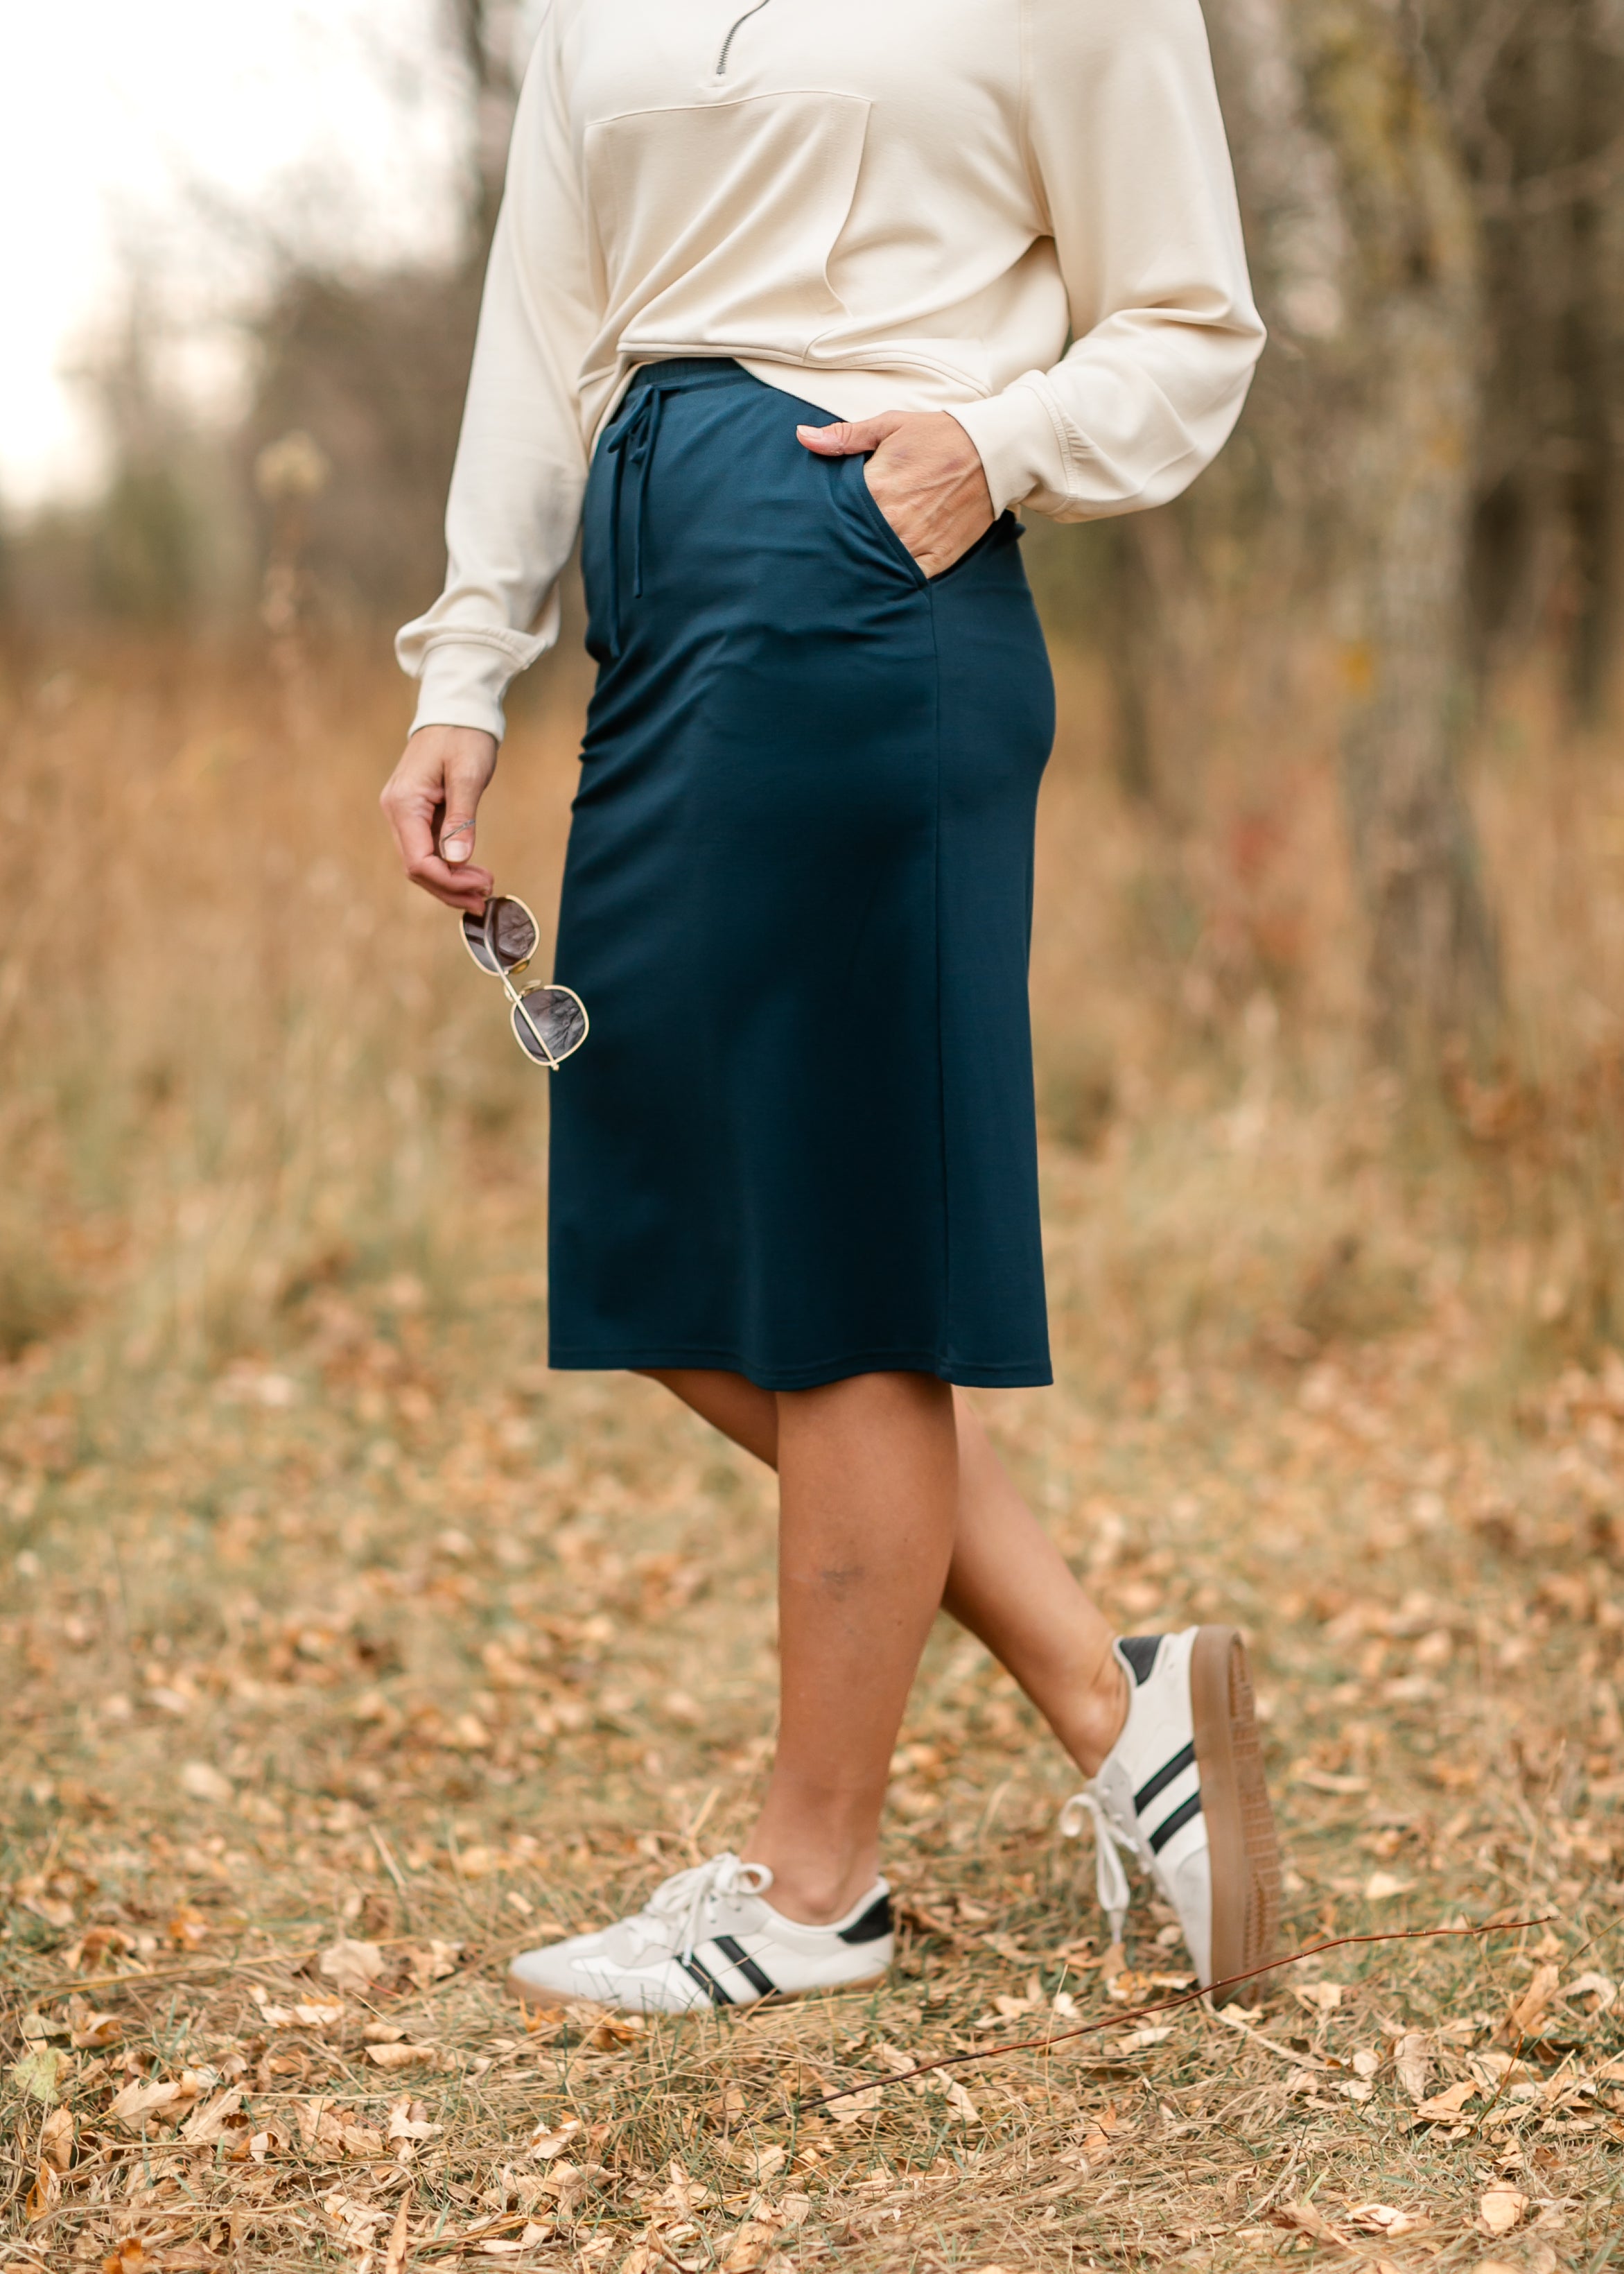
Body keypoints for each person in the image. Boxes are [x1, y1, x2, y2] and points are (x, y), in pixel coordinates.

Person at [381, 0, 1281, 2015]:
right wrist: (466, 667)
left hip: (868, 586)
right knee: (659, 1217)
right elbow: (541, 330)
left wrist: (1001, 445)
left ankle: (815, 1890)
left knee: (844, 1242)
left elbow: (1190, 322)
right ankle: (1115, 1700)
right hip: (659, 621)